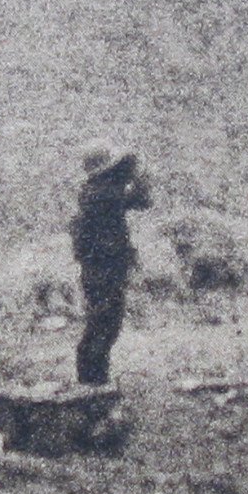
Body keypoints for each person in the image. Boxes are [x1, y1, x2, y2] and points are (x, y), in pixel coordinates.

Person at [69, 144, 152, 387]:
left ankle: (95, 382)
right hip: (101, 272)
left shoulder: (99, 191)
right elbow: (140, 198)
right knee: (102, 326)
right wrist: (136, 174)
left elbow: (142, 202)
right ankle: (91, 383)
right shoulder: (99, 194)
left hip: (105, 270)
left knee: (106, 326)